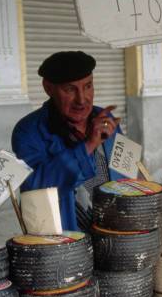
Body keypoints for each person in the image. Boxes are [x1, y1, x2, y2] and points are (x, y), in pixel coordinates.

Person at [12, 51, 124, 232]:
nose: (82, 99)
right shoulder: (29, 131)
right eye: (70, 89)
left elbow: (125, 171)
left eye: (88, 86)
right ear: (48, 88)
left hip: (114, 232)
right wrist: (88, 145)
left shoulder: (104, 119)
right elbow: (36, 188)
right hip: (66, 241)